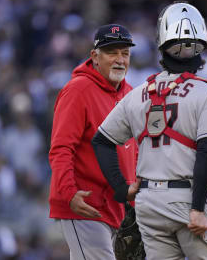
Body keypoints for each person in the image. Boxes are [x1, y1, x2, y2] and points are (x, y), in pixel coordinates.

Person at [92, 2, 207, 260]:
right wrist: (198, 208)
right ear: (201, 46)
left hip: (148, 203)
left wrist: (122, 189)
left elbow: (101, 141)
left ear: (162, 45)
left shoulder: (137, 95)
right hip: (187, 197)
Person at [48, 24, 139, 260]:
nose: (120, 59)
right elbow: (61, 148)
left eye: (125, 53)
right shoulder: (78, 90)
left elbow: (134, 151)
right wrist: (69, 193)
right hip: (84, 204)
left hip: (118, 207)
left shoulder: (129, 93)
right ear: (95, 56)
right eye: (112, 52)